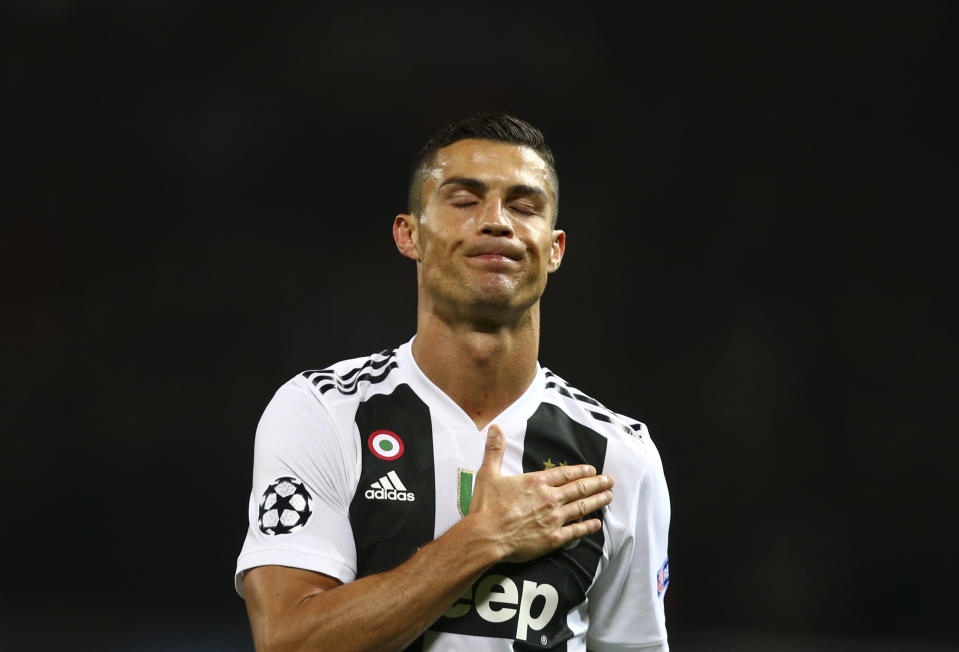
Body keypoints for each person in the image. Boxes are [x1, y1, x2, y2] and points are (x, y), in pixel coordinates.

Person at [234, 113, 671, 651]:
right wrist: (482, 539)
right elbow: (289, 643)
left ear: (554, 248)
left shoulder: (620, 456)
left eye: (524, 205)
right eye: (464, 200)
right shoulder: (323, 412)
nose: (497, 221)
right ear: (409, 234)